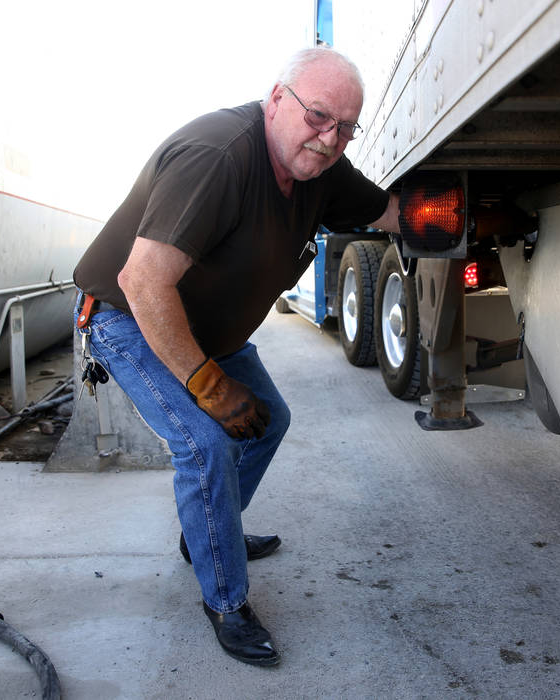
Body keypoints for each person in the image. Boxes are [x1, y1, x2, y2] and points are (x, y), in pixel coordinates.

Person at [72, 46, 399, 666]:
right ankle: (225, 601)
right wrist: (208, 385)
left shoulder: (318, 168)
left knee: (269, 421)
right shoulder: (219, 156)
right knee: (206, 442)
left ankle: (210, 533)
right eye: (319, 117)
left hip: (202, 326)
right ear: (278, 99)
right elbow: (142, 282)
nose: (330, 139)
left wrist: (451, 218)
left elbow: (388, 210)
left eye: (347, 126)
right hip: (128, 318)